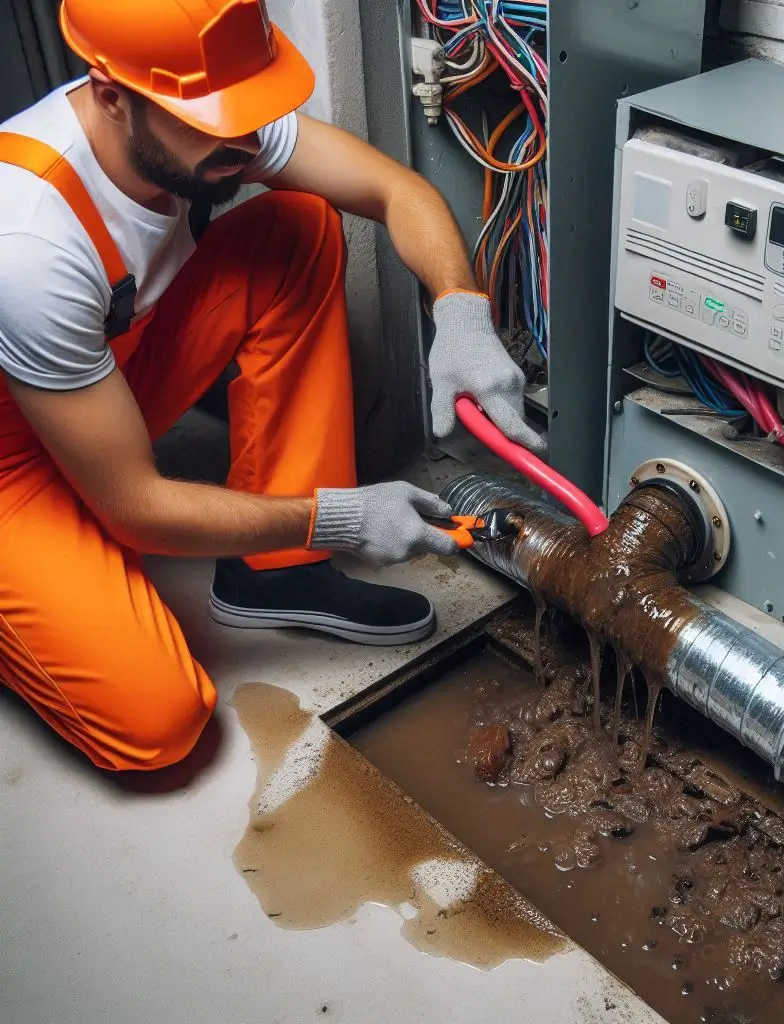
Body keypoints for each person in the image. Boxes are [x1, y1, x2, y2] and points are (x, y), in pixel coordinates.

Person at [0, 0, 545, 772]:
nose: (249, 140)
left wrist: (460, 310)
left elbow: (397, 192)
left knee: (298, 225)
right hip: (11, 465)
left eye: (254, 110)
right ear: (111, 94)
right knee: (159, 723)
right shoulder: (26, 238)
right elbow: (136, 508)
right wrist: (342, 518)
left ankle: (273, 573)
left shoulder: (207, 125)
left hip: (102, 384)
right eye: (221, 120)